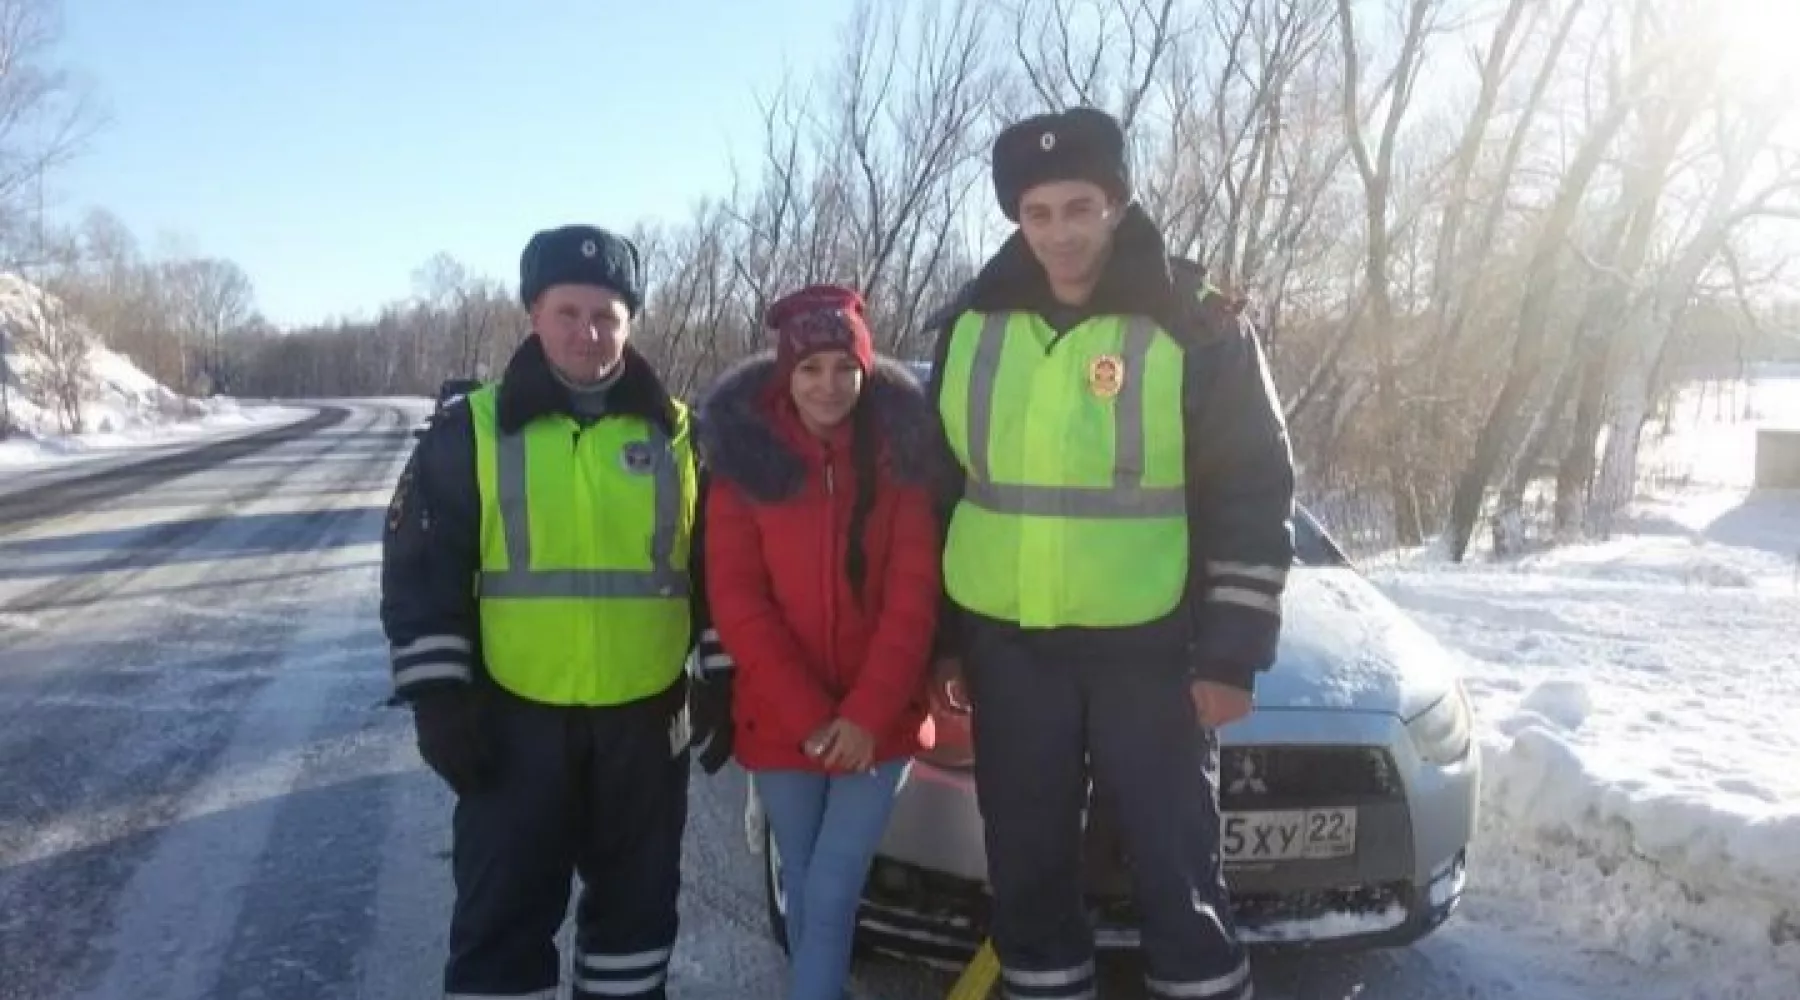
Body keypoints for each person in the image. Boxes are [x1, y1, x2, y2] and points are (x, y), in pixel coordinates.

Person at [923, 108, 1296, 1000]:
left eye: (1079, 207)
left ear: (1118, 203)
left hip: (1152, 648)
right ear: (1018, 217)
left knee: (1177, 864)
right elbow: (937, 493)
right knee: (1028, 860)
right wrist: (942, 643)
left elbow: (1251, 485)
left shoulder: (1198, 325)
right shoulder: (971, 325)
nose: (1060, 232)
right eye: (1039, 213)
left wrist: (1233, 653)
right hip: (1008, 646)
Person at [380, 223, 725, 1000]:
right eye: (568, 311)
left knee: (635, 930)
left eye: (606, 315)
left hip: (644, 723)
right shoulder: (470, 429)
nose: (587, 331)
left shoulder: (677, 436)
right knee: (501, 927)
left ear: (631, 323)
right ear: (534, 314)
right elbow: (420, 573)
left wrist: (722, 672)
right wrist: (439, 696)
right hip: (512, 724)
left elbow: (718, 568)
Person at [696, 283, 940, 1000]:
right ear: (785, 374)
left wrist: (863, 717)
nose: (829, 386)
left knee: (830, 893)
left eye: (844, 367)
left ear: (867, 370)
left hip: (882, 725)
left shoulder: (903, 461)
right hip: (781, 723)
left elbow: (913, 597)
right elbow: (738, 601)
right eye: (810, 369)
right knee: (804, 887)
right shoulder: (745, 465)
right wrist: (811, 719)